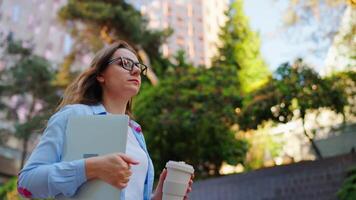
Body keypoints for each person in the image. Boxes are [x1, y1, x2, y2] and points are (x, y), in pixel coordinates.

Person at [17, 41, 193, 200]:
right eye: (125, 63)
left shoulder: (135, 131)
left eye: (138, 66)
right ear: (101, 75)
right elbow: (26, 183)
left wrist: (159, 196)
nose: (137, 70)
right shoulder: (74, 116)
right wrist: (91, 168)